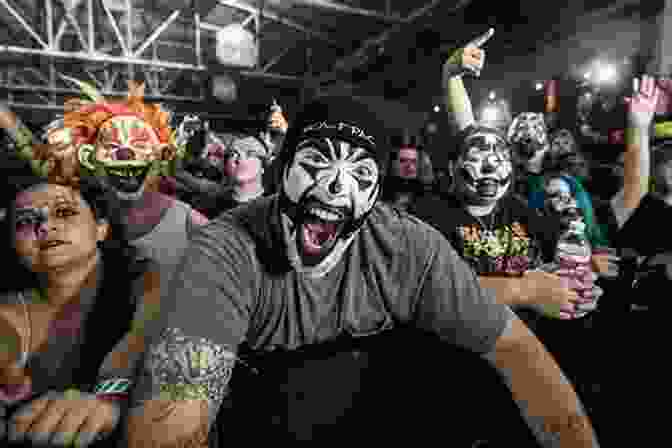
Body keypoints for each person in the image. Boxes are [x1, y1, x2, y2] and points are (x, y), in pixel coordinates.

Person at [120, 94, 600, 447]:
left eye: (361, 176)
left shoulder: (409, 246)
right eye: (315, 164)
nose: (333, 187)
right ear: (279, 171)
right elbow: (174, 412)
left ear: (375, 195)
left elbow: (516, 348)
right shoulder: (225, 247)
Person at [0, 172, 161, 447]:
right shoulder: (10, 310)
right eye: (25, 221)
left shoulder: (147, 279)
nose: (45, 225)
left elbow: (144, 333)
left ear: (101, 228)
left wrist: (110, 397)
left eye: (63, 212)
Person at [0, 80, 209, 291]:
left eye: (139, 144)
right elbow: (34, 153)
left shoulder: (184, 220)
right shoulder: (80, 206)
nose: (125, 153)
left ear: (162, 155)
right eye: (111, 145)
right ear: (89, 158)